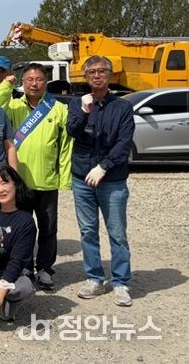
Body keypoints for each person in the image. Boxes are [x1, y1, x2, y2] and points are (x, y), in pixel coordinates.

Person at [0, 63, 73, 291]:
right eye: (29, 79)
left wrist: (64, 178)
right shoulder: (13, 106)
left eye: (39, 79)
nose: (34, 84)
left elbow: (66, 146)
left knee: (48, 228)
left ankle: (45, 268)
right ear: (23, 82)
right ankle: (25, 267)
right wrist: (6, 87)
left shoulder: (59, 108)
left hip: (47, 181)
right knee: (23, 229)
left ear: (46, 81)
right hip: (20, 182)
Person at [67, 56, 135, 307]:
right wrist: (84, 113)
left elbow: (124, 142)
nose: (97, 75)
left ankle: (121, 282)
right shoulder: (77, 103)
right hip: (82, 178)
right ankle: (94, 278)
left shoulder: (123, 107)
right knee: (88, 231)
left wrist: (104, 166)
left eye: (102, 71)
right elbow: (72, 131)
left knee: (117, 233)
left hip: (112, 179)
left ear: (110, 74)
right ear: (86, 77)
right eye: (92, 72)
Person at [0, 164, 37, 321]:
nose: (0, 189)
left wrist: (2, 290)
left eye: (4, 183)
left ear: (16, 184)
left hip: (10, 272)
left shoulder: (26, 221)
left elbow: (18, 260)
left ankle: (7, 300)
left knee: (23, 287)